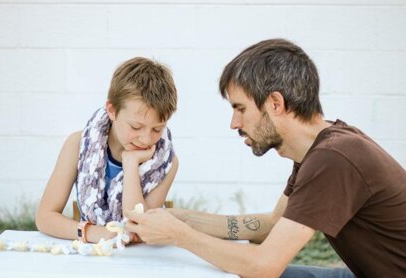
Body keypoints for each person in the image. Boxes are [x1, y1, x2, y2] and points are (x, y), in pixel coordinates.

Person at [126, 39, 406, 277]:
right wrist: (183, 219)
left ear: (275, 103)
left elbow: (264, 266)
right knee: (224, 270)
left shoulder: (334, 158)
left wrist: (179, 235)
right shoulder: (319, 149)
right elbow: (273, 224)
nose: (234, 123)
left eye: (240, 108)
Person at [36, 57, 179, 245]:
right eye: (136, 127)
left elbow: (140, 228)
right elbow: (45, 217)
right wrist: (93, 233)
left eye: (157, 129)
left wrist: (130, 164)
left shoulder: (166, 163)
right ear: (112, 110)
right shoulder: (77, 145)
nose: (146, 139)